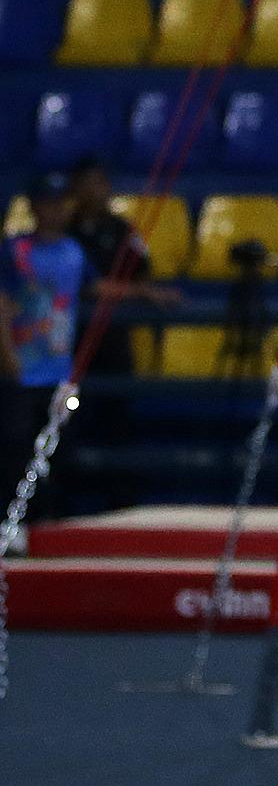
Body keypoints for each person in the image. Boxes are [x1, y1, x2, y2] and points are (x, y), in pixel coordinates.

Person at [0, 173, 95, 544]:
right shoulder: (15, 251)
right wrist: (8, 356)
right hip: (21, 369)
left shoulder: (75, 251)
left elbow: (95, 285)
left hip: (59, 372)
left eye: (60, 203)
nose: (53, 210)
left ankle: (50, 523)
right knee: (14, 447)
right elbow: (3, 305)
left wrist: (146, 291)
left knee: (56, 449)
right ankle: (13, 523)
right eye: (46, 202)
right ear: (34, 207)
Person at [67, 156, 180, 377]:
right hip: (72, 333)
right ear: (75, 189)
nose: (94, 191)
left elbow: (142, 270)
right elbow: (85, 285)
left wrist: (138, 290)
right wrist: (140, 292)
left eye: (99, 183)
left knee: (115, 398)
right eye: (86, 184)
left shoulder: (122, 229)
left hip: (114, 332)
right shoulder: (65, 232)